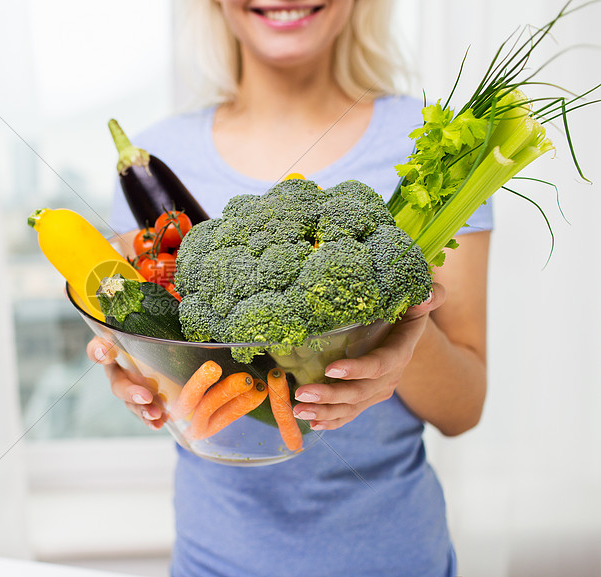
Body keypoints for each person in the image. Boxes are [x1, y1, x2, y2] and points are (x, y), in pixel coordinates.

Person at [87, 1, 490, 575]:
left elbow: (464, 408)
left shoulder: (433, 143)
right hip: (215, 561)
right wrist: (137, 367)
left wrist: (395, 324)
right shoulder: (154, 160)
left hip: (394, 558)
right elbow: (170, 380)